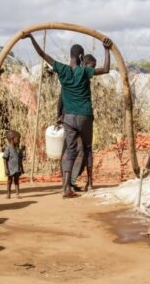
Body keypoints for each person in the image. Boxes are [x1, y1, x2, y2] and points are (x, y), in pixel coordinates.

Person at [25, 34, 111, 197]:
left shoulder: (62, 69)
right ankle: (90, 183)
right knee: (87, 147)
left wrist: (31, 38)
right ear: (81, 57)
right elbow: (106, 69)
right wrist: (106, 50)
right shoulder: (84, 71)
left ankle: (66, 187)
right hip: (84, 115)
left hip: (69, 118)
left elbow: (42, 54)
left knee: (69, 151)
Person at [56, 54, 97, 191]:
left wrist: (60, 116)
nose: (92, 72)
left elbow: (61, 98)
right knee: (79, 150)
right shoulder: (78, 75)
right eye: (91, 68)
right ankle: (72, 183)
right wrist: (58, 116)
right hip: (78, 118)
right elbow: (61, 99)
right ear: (84, 64)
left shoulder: (71, 74)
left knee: (74, 152)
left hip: (69, 119)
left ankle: (69, 184)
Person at [3, 130, 24, 199]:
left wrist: (22, 168)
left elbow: (20, 159)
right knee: (9, 181)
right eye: (18, 139)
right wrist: (6, 169)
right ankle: (8, 194)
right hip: (10, 169)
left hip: (17, 168)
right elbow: (5, 159)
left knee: (16, 181)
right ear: (12, 139)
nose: (19, 140)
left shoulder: (19, 149)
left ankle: (17, 194)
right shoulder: (8, 149)